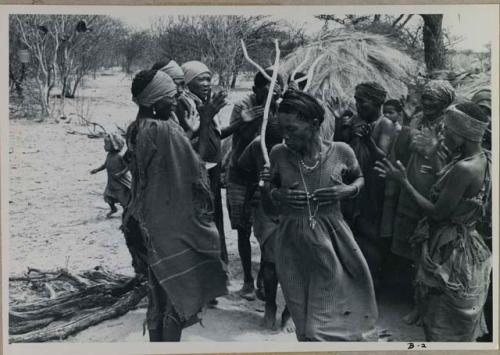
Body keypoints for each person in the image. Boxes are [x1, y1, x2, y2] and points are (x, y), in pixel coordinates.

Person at [260, 90, 378, 341]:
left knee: (322, 326)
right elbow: (270, 201)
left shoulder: (341, 151)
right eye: (282, 129)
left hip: (331, 242)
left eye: (292, 128)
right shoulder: (278, 154)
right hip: (291, 246)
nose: (285, 135)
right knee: (303, 326)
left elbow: (360, 178)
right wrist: (277, 194)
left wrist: (348, 189)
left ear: (314, 124)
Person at [124, 69, 228, 342]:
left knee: (158, 295)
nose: (176, 101)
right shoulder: (165, 130)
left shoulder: (136, 128)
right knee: (176, 298)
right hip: (168, 226)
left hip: (143, 221)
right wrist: (205, 122)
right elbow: (197, 165)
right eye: (171, 97)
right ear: (156, 101)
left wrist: (188, 132)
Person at [375, 102, 492, 341]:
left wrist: (403, 182)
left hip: (450, 251)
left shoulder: (465, 168)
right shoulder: (484, 159)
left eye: (448, 129)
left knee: (440, 323)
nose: (444, 133)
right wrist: (433, 156)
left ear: (462, 132)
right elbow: (448, 188)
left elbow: (438, 212)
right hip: (468, 244)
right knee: (455, 326)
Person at [225, 68, 284, 300]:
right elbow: (238, 139)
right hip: (240, 173)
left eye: (276, 89)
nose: (271, 93)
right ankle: (248, 280)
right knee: (242, 228)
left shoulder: (280, 107)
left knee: (266, 228)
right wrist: (250, 121)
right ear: (256, 89)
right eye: (267, 89)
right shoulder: (243, 106)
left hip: (267, 175)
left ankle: (262, 279)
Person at [333, 82, 396, 279]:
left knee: (369, 231)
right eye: (356, 101)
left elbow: (383, 158)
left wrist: (368, 141)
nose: (358, 106)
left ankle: (373, 279)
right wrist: (339, 125)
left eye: (362, 102)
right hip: (354, 184)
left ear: (377, 102)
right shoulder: (356, 121)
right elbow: (341, 149)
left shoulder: (384, 124)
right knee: (349, 228)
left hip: (373, 187)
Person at [390, 80, 456, 262]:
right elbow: (401, 152)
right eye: (425, 98)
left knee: (427, 246)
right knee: (406, 248)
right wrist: (407, 122)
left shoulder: (450, 126)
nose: (426, 103)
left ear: (444, 103)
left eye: (432, 99)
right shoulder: (418, 118)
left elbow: (450, 163)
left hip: (434, 186)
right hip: (411, 182)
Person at [237, 115, 292, 331]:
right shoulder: (256, 147)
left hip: (292, 210)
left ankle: (290, 310)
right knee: (270, 262)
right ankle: (270, 305)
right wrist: (255, 189)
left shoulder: (297, 150)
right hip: (267, 210)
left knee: (293, 265)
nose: (271, 148)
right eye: (267, 142)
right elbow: (242, 168)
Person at [175, 61, 229, 266]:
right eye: (201, 79)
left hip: (211, 167)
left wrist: (241, 122)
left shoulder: (202, 102)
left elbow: (216, 134)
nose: (207, 83)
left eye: (209, 79)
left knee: (214, 215)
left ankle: (218, 263)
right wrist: (206, 118)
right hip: (199, 168)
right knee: (204, 218)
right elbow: (189, 138)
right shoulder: (184, 104)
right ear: (188, 81)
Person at [90, 133, 131, 218]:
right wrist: (97, 170)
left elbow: (128, 166)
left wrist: (121, 173)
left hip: (120, 181)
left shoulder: (120, 156)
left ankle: (126, 211)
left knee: (122, 198)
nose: (104, 146)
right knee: (107, 196)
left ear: (114, 145)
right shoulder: (109, 155)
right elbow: (105, 165)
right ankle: (113, 208)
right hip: (112, 182)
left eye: (106, 144)